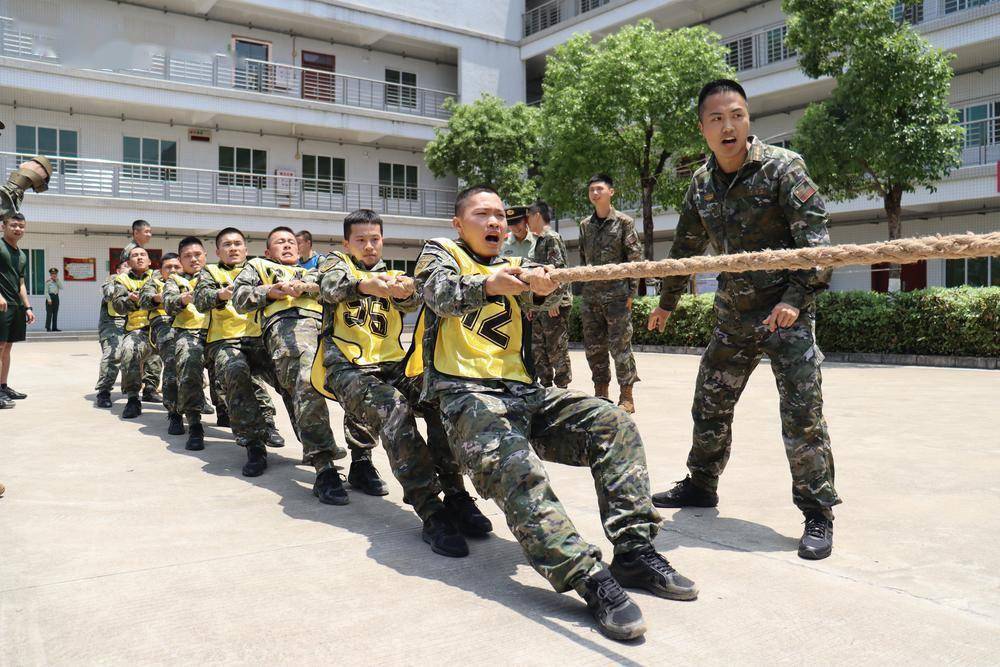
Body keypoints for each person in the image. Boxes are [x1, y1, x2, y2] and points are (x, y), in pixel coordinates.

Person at [411, 185, 697, 642]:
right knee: (520, 472)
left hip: (525, 393)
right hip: (468, 397)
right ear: (458, 224)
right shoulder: (440, 254)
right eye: (482, 215)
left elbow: (549, 305)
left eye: (501, 216)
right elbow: (435, 293)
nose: (494, 224)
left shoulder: (516, 265)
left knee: (612, 423)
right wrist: (489, 283)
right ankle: (589, 578)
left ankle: (633, 550)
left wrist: (545, 286)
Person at [646, 79, 840, 561]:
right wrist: (667, 302)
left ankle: (817, 512)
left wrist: (795, 298)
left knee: (802, 415)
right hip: (733, 315)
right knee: (709, 402)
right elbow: (684, 249)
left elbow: (816, 246)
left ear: (748, 120)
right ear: (703, 129)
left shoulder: (782, 168)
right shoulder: (700, 184)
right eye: (716, 119)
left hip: (784, 316)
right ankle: (701, 485)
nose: (727, 126)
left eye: (735, 115)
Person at [315, 209, 491, 552]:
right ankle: (429, 507)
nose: (369, 246)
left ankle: (455, 493)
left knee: (443, 397)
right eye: (361, 240)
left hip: (393, 366)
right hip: (346, 369)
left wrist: (401, 291)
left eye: (375, 239)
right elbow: (330, 287)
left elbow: (415, 298)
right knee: (394, 409)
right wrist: (366, 285)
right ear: (347, 243)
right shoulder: (334, 264)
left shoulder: (396, 275)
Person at [231, 226, 363, 500]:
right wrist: (271, 292)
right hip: (287, 325)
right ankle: (324, 465)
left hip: (329, 328)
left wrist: (310, 287)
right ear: (268, 251)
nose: (288, 245)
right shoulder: (259, 266)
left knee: (361, 378)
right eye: (280, 242)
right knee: (306, 379)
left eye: (291, 241)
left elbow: (341, 288)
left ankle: (363, 459)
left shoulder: (315, 270)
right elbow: (239, 297)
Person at [194, 228, 285, 476]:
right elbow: (200, 300)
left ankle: (312, 445)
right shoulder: (210, 272)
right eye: (227, 245)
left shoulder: (261, 268)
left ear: (246, 248)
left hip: (259, 338)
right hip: (225, 341)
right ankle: (254, 444)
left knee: (292, 376)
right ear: (217, 251)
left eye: (237, 244)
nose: (233, 248)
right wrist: (220, 294)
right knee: (236, 372)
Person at [578, 174, 642, 413]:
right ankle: (600, 395)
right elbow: (584, 260)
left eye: (599, 189)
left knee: (621, 347)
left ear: (611, 192)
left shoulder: (624, 222)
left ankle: (627, 396)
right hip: (591, 298)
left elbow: (635, 259)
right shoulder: (585, 225)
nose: (595, 193)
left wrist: (631, 293)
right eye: (591, 190)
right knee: (594, 348)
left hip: (617, 296)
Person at [162, 237, 219, 450]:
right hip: (189, 332)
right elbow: (168, 304)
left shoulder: (217, 274)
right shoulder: (175, 281)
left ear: (206, 255)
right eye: (187, 256)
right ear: (180, 259)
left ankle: (263, 424)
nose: (193, 259)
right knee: (187, 365)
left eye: (197, 254)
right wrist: (182, 299)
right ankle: (191, 421)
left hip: (218, 332)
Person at [524, 201, 572, 389]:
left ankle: (562, 390)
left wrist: (555, 301)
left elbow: (559, 272)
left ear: (537, 215)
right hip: (542, 304)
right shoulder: (539, 240)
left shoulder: (551, 237)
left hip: (555, 305)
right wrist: (531, 305)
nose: (526, 221)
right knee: (539, 350)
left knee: (556, 349)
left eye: (528, 216)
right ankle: (545, 388)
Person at [110, 246, 156, 419]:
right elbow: (118, 306)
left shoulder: (158, 276)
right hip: (137, 330)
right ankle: (133, 398)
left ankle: (189, 400)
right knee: (128, 350)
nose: (139, 258)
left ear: (150, 261)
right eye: (134, 255)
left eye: (143, 254)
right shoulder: (122, 280)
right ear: (128, 262)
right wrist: (130, 300)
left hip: (160, 327)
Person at [140, 253, 183, 433]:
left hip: (193, 325)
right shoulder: (153, 282)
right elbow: (144, 300)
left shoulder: (194, 280)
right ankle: (174, 413)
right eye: (168, 267)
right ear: (161, 270)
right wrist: (163, 298)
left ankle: (221, 409)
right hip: (163, 324)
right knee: (172, 358)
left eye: (176, 267)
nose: (173, 270)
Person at [119, 219, 162, 402]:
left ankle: (150, 388)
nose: (149, 235)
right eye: (146, 231)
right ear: (136, 232)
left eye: (150, 231)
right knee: (131, 352)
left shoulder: (155, 276)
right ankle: (133, 394)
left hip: (152, 321)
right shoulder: (131, 249)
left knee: (155, 354)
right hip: (134, 316)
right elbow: (125, 277)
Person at [0, 213, 36, 408]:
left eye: (21, 226)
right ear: (3, 227)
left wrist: (27, 306)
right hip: (1, 305)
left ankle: (3, 386)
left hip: (15, 306)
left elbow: (21, 282)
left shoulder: (21, 254)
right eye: (13, 225)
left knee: (7, 348)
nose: (18, 229)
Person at [94, 262, 131, 408]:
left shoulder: (141, 280)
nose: (128, 269)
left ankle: (149, 388)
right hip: (112, 324)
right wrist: (124, 284)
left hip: (132, 322)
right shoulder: (111, 280)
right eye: (125, 266)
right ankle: (103, 392)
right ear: (118, 270)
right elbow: (109, 295)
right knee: (113, 354)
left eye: (130, 267)